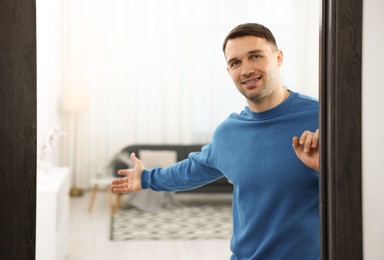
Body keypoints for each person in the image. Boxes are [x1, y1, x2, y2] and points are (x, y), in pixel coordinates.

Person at [111, 23, 319, 259]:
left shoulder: (320, 118)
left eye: (256, 56)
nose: (247, 69)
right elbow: (192, 170)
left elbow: (360, 187)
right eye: (235, 62)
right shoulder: (229, 133)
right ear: (229, 71)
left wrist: (325, 167)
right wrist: (146, 178)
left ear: (278, 57)